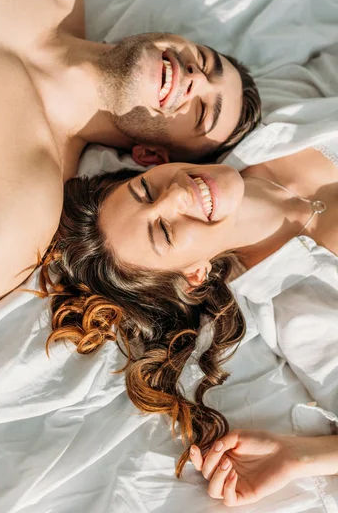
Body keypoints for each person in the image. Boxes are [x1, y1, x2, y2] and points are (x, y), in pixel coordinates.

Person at [0, 0, 260, 347]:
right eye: (204, 61)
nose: (195, 78)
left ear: (152, 156)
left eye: (201, 111)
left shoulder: (24, 201)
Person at [39, 119, 338, 505]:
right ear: (195, 273)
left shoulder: (265, 123)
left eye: (145, 190)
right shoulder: (302, 312)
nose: (176, 194)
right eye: (164, 231)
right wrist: (299, 456)